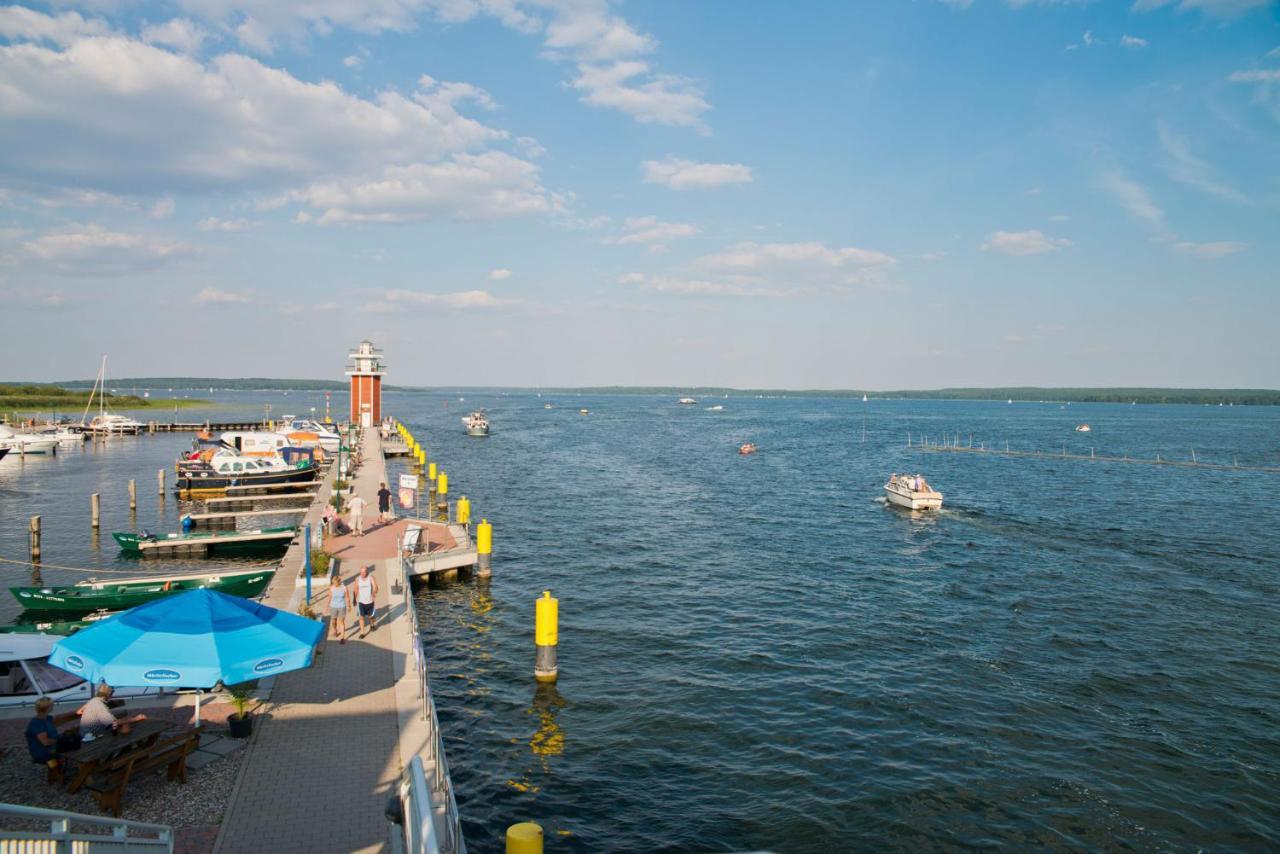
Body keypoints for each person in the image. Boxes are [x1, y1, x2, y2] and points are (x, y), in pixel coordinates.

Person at [79, 684, 147, 737]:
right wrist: (136, 718)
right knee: (125, 732)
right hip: (93, 736)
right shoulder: (100, 706)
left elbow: (79, 711)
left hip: (87, 732)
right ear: (109, 695)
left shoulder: (93, 700)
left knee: (123, 728)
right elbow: (113, 722)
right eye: (111, 694)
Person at [26, 697, 61, 771]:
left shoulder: (47, 718)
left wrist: (76, 712)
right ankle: (56, 771)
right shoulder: (36, 723)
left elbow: (59, 717)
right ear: (47, 708)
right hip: (42, 752)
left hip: (51, 747)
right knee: (72, 750)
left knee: (72, 744)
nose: (53, 706)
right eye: (52, 705)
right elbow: (45, 742)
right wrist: (60, 740)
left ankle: (57, 770)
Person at [355, 564, 379, 637]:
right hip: (361, 602)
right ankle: (362, 633)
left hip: (370, 601)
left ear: (367, 572)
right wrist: (354, 599)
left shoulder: (371, 578)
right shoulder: (357, 579)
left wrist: (373, 593)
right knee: (361, 617)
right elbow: (355, 589)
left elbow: (375, 587)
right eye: (361, 572)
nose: (362, 574)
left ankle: (372, 625)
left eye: (364, 572)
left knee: (370, 617)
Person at [328, 573, 351, 644]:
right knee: (333, 621)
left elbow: (347, 597)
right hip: (333, 606)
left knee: (341, 622)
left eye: (335, 583)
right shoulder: (331, 587)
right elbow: (330, 597)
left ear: (338, 582)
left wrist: (349, 606)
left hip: (342, 606)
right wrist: (326, 606)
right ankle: (335, 630)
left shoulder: (344, 588)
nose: (334, 584)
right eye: (333, 583)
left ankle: (342, 638)